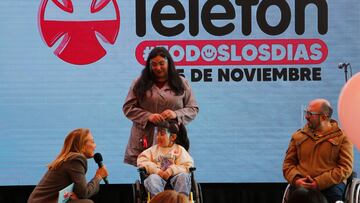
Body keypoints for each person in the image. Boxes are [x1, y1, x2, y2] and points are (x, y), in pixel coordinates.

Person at [123, 46, 199, 166]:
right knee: (149, 170)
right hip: (146, 135)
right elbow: (128, 108)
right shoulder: (138, 83)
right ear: (149, 65)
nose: (158, 68)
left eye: (161, 63)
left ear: (169, 63)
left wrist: (176, 114)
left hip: (172, 136)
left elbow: (193, 109)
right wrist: (148, 116)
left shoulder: (182, 83)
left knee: (174, 170)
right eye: (153, 64)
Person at [283, 98, 353, 203]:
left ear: (324, 117)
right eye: (307, 112)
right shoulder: (298, 136)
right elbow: (288, 164)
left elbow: (345, 167)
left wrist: (318, 182)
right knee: (298, 195)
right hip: (302, 185)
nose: (306, 116)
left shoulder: (342, 137)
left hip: (331, 185)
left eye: (310, 114)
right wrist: (297, 180)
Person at [28, 128, 108, 203]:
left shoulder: (70, 158)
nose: (95, 146)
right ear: (82, 145)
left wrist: (71, 195)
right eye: (92, 142)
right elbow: (84, 193)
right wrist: (99, 176)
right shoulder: (76, 159)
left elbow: (79, 192)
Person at [137, 121, 194, 197]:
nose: (158, 137)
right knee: (153, 178)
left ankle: (181, 200)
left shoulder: (180, 150)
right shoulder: (152, 151)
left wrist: (171, 170)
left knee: (183, 176)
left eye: (162, 134)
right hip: (158, 177)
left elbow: (187, 165)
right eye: (157, 134)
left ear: (173, 137)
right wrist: (156, 170)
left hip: (175, 177)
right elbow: (142, 160)